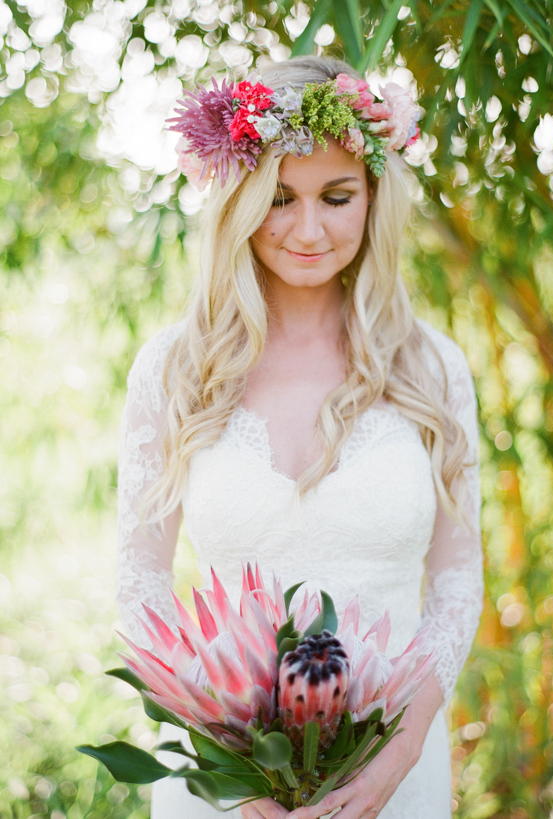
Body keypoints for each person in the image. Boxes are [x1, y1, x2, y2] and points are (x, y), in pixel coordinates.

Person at [115, 55, 483, 819]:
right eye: (280, 198)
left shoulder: (433, 369)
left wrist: (400, 755)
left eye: (337, 196)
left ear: (373, 198)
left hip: (393, 775)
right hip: (221, 787)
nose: (308, 229)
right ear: (241, 202)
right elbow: (140, 578)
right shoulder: (175, 367)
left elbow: (455, 580)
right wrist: (232, 764)